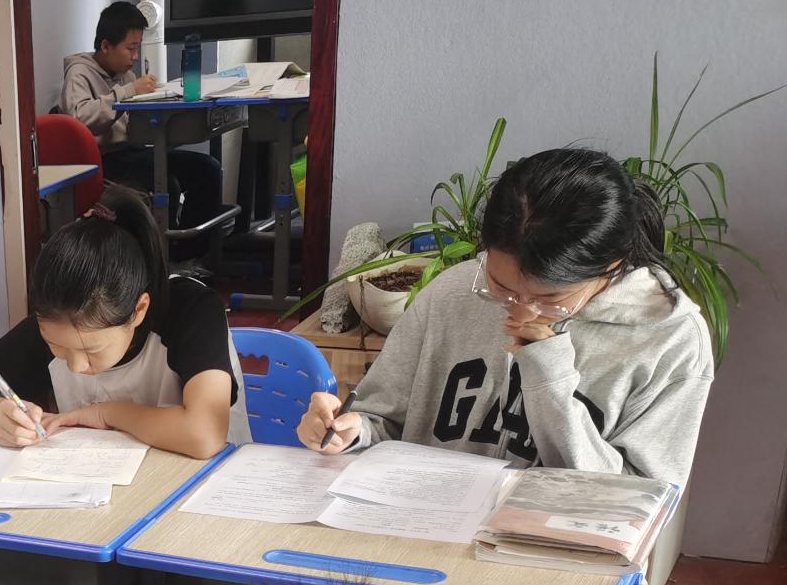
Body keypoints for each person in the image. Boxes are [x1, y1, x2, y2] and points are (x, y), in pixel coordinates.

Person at [299, 147, 714, 484]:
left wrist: (549, 376)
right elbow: (381, 421)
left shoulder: (670, 339)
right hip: (426, 528)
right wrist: (351, 433)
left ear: (611, 267)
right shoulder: (452, 292)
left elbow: (641, 498)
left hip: (561, 551)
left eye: (550, 298)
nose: (518, 310)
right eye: (500, 287)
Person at [0, 184, 248, 459]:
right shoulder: (57, 322)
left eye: (91, 351)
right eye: (57, 347)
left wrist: (107, 413)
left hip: (208, 487)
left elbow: (204, 434)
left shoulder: (192, 311)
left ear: (138, 310)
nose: (75, 365)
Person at [59, 1, 224, 231]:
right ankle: (165, 249)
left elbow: (133, 124)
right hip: (104, 161)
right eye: (131, 48)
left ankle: (193, 248)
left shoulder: (125, 75)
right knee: (167, 184)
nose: (135, 57)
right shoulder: (79, 74)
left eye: (138, 48)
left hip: (133, 151)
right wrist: (128, 92)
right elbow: (80, 120)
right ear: (106, 46)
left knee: (207, 169)